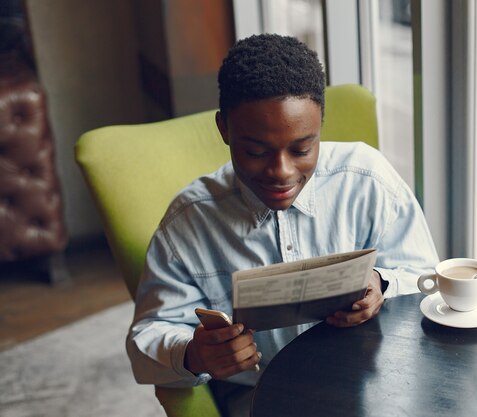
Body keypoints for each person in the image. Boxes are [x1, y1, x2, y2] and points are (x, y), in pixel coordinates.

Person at [126, 33, 439, 416]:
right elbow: (147, 341)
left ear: (321, 124)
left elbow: (427, 281)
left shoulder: (368, 180)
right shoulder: (189, 223)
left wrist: (381, 285)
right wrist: (194, 353)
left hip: (376, 386)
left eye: (301, 149)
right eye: (256, 151)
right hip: (260, 399)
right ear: (224, 129)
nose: (281, 172)